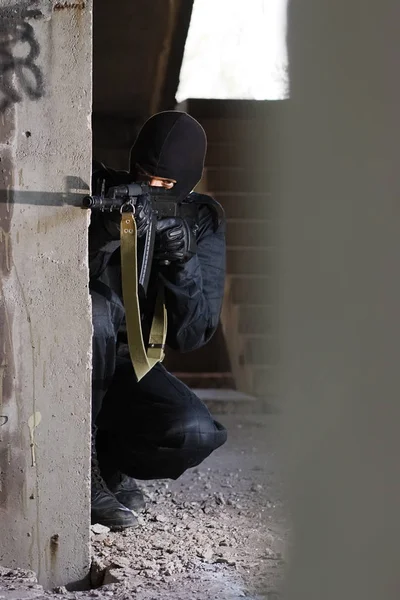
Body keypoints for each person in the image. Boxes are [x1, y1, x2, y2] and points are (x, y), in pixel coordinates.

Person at [89, 110, 228, 530]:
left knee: (195, 432)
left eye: (165, 184)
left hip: (134, 363)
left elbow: (194, 334)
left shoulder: (201, 220)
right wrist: (103, 236)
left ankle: (110, 464)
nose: (150, 188)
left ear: (186, 184)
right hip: (74, 362)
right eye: (143, 174)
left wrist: (182, 261)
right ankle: (83, 471)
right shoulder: (102, 191)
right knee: (95, 309)